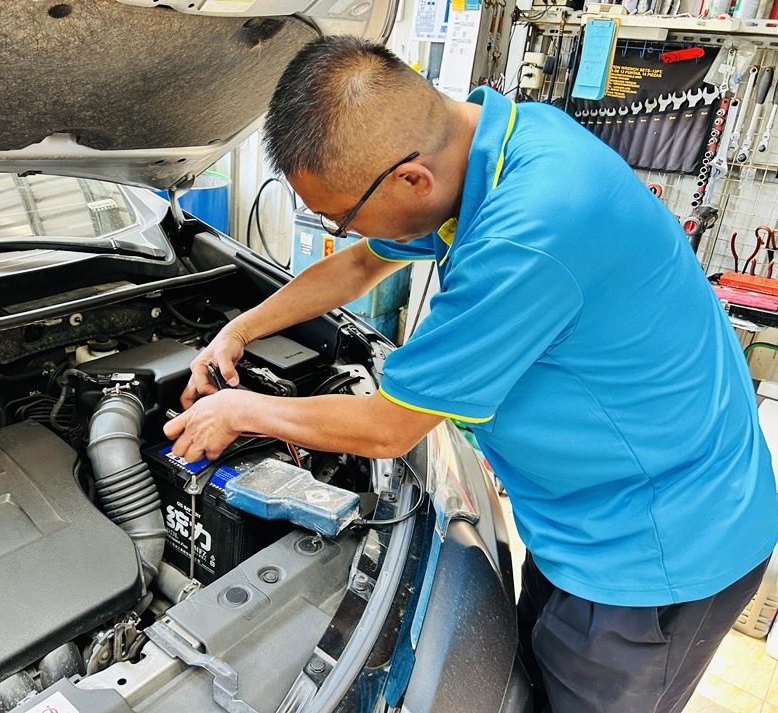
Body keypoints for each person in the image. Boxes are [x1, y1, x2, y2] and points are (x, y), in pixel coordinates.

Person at [163, 36, 778, 712]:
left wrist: (242, 411)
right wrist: (241, 327)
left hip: (655, 553)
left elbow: (391, 426)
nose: (339, 230)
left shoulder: (528, 231)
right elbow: (361, 265)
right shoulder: (501, 140)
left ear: (411, 180)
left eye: (341, 215)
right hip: (590, 511)